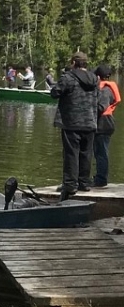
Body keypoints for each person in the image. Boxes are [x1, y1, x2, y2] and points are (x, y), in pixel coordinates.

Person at [50, 51, 99, 199]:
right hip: (90, 121)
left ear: (73, 63)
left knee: (71, 154)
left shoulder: (69, 78)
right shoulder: (94, 79)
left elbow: (54, 92)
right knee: (86, 153)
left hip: (71, 122)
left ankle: (70, 185)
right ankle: (84, 182)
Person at [94, 64, 120, 187]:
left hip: (103, 124)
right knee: (99, 152)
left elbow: (101, 107)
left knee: (101, 153)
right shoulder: (106, 89)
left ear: (98, 76)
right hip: (105, 123)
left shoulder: (105, 91)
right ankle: (100, 176)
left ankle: (101, 179)